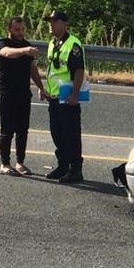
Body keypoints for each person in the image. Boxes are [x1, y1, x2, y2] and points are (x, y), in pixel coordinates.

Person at [0, 16, 46, 176]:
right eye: (17, 29)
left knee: (22, 130)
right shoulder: (2, 44)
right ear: (9, 29)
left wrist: (41, 87)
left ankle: (20, 163)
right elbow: (7, 54)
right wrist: (25, 51)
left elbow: (32, 69)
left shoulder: (27, 45)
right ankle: (4, 164)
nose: (20, 32)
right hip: (7, 93)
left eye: (23, 29)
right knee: (7, 130)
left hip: (23, 93)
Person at [43, 10, 86, 184]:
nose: (51, 25)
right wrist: (44, 89)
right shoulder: (52, 43)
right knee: (56, 132)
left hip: (67, 95)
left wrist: (75, 94)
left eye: (54, 21)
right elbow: (52, 70)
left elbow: (79, 70)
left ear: (64, 24)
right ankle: (63, 165)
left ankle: (75, 169)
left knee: (71, 134)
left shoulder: (73, 44)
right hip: (54, 95)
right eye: (50, 22)